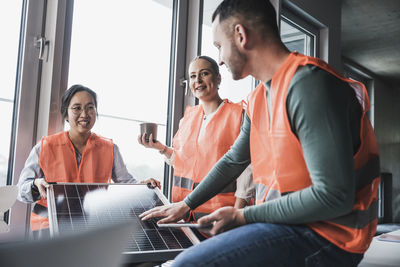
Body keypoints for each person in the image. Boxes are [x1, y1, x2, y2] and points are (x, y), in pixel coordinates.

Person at [139, 0, 380, 266]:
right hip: (286, 224)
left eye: (219, 46)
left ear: (241, 36)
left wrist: (243, 216)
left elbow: (332, 196)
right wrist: (186, 205)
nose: (219, 57)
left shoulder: (309, 85)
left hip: (330, 236)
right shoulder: (258, 98)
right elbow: (233, 160)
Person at [17, 84, 160, 238]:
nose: (84, 114)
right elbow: (21, 191)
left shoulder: (109, 148)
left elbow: (126, 182)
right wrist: (35, 185)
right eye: (77, 108)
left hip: (91, 226)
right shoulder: (44, 147)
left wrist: (142, 186)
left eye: (90, 108)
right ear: (66, 114)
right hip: (49, 228)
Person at [138, 56, 254, 229]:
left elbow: (247, 171)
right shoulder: (187, 118)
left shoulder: (239, 116)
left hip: (222, 219)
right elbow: (185, 162)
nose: (197, 81)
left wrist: (236, 216)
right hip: (184, 218)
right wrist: (161, 149)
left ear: (218, 78)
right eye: (192, 76)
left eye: (204, 73)